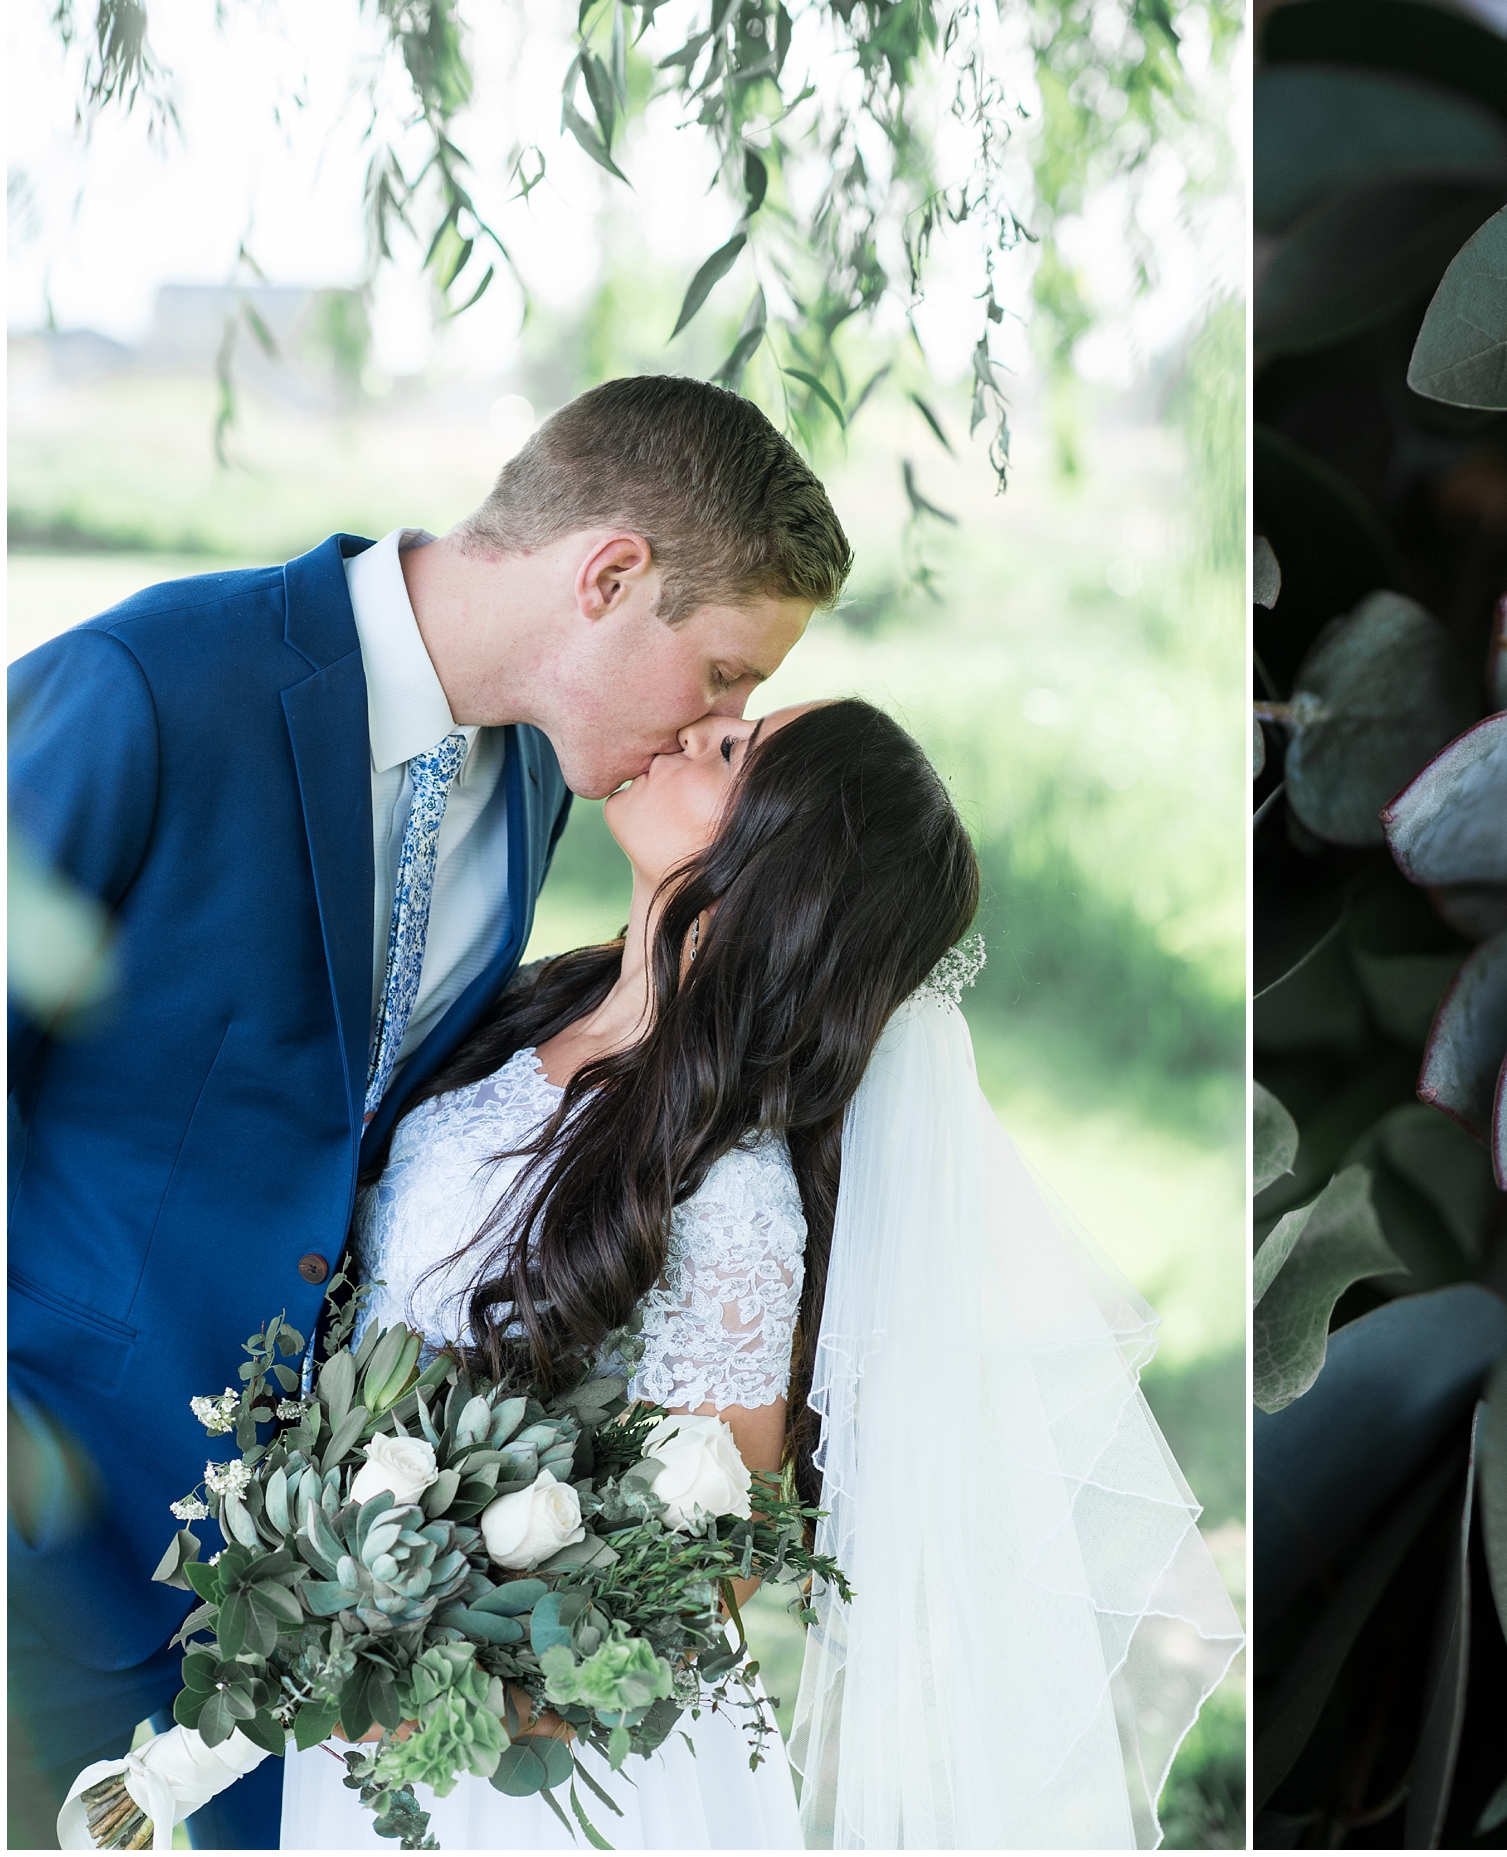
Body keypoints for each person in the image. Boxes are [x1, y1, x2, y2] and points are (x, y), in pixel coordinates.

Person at [7, 375, 847, 1849]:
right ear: (608, 578)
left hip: (307, 1610)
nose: (728, 723)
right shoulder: (150, 690)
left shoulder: (536, 784)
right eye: (720, 674)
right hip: (46, 1552)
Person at [276, 697, 1241, 1847]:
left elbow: (704, 1563)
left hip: (519, 1770)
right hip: (350, 1659)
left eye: (734, 749)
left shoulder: (726, 1198)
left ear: (772, 874)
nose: (691, 723)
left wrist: (447, 1696)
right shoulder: (529, 1002)